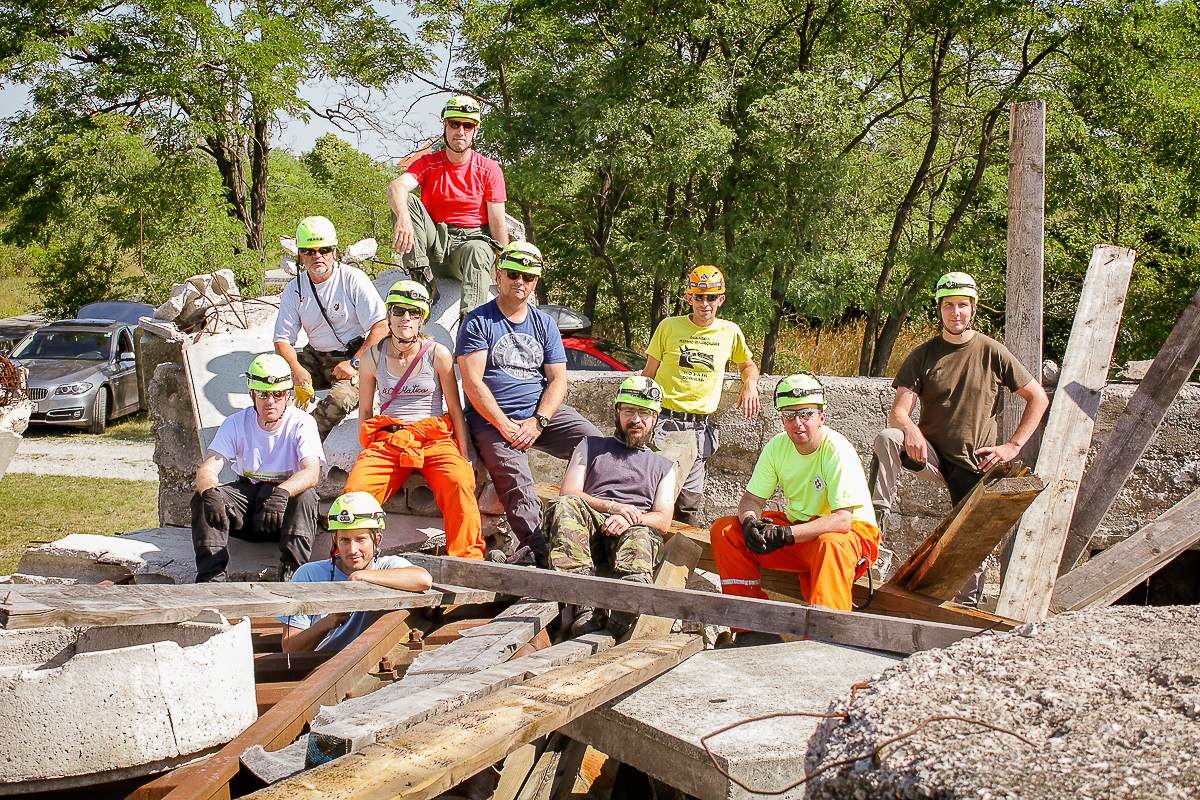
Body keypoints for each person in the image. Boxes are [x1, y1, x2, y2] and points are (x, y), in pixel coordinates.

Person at [871, 271, 1049, 605]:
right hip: (932, 455)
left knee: (971, 546)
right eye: (949, 305)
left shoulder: (992, 352)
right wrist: (910, 428)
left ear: (973, 308)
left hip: (975, 464)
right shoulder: (923, 355)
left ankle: (967, 610)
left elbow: (1038, 398)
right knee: (889, 437)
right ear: (939, 309)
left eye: (962, 305)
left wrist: (1013, 446)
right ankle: (871, 531)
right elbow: (899, 413)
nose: (956, 312)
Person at [455, 241, 602, 565]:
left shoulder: (545, 323)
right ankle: (547, 555)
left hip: (538, 415)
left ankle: (596, 529)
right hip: (492, 420)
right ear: (499, 275)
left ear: (535, 282)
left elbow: (558, 380)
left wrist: (539, 421)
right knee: (518, 485)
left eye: (528, 277)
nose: (520, 281)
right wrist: (503, 424)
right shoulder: (478, 322)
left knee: (599, 449)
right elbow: (472, 382)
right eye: (513, 274)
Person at [710, 373, 880, 637]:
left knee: (830, 544)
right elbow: (752, 500)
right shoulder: (777, 447)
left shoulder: (836, 449)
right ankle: (750, 630)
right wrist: (749, 522)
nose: (797, 423)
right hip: (800, 533)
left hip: (848, 536)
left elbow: (842, 521)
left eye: (806, 414)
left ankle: (826, 639)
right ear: (782, 419)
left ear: (822, 417)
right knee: (725, 531)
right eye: (789, 415)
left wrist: (786, 535)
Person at [343, 280, 485, 560]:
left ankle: (467, 560)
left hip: (432, 437)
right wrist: (366, 452)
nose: (405, 318)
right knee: (355, 492)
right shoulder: (372, 356)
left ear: (422, 318)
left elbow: (454, 409)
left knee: (459, 482)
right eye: (398, 311)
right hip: (389, 438)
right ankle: (354, 559)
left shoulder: (437, 353)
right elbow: (365, 411)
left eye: (413, 312)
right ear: (389, 314)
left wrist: (465, 456)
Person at [546, 376, 677, 635]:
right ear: (617, 412)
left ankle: (627, 603)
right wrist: (612, 508)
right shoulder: (590, 445)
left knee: (642, 533)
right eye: (628, 411)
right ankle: (582, 603)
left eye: (644, 413)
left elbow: (663, 520)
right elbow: (569, 492)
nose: (636, 419)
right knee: (566, 504)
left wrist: (630, 518)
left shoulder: (664, 467)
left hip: (631, 535)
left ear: (654, 418)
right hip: (588, 529)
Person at [643, 265, 760, 526]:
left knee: (688, 504)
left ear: (721, 299)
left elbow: (748, 365)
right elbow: (648, 374)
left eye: (711, 297)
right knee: (655, 495)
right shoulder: (668, 326)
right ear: (689, 298)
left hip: (699, 429)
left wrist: (750, 384)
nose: (704, 303)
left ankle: (680, 552)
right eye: (698, 297)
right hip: (663, 422)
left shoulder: (729, 331)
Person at [192, 353, 324, 583]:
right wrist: (209, 492)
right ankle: (211, 580)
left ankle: (293, 575)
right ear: (251, 394)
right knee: (204, 498)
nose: (270, 401)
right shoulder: (235, 422)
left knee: (307, 496)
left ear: (288, 395)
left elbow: (311, 472)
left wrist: (282, 492)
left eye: (277, 394)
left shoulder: (302, 422)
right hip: (248, 502)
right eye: (263, 394)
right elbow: (207, 470)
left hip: (285, 509)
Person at [388, 94, 509, 320]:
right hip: (435, 246)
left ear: (475, 131)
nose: (460, 131)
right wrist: (403, 216)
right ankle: (423, 286)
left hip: (469, 248)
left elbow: (498, 223)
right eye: (454, 124)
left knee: (479, 249)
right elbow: (397, 186)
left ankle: (470, 325)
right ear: (445, 125)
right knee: (407, 200)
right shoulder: (428, 163)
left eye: (467, 125)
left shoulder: (489, 169)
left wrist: (505, 268)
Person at [274, 215, 389, 440]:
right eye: (309, 251)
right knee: (271, 378)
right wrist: (297, 370)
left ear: (334, 251)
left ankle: (297, 440)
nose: (317, 256)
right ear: (300, 255)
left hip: (353, 355)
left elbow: (381, 326)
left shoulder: (353, 279)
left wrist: (355, 363)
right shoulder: (294, 289)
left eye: (324, 249)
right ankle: (267, 428)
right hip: (316, 356)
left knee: (338, 402)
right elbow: (282, 341)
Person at [278, 492, 433, 652]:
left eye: (360, 539)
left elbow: (423, 580)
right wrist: (328, 622)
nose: (352, 550)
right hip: (320, 662)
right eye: (344, 540)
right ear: (335, 541)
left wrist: (361, 577)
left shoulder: (387, 567)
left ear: (377, 540)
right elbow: (290, 648)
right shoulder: (309, 575)